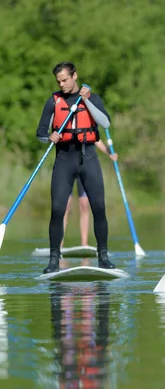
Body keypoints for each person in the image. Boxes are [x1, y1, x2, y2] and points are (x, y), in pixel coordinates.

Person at [36, 61, 115, 273]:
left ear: (75, 76)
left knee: (98, 208)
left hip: (89, 159)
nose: (62, 84)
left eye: (65, 79)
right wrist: (48, 136)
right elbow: (41, 131)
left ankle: (103, 257)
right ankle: (54, 259)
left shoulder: (92, 98)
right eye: (59, 81)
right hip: (64, 160)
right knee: (58, 210)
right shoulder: (53, 102)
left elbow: (105, 123)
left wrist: (87, 100)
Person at [62, 139, 118, 248]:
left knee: (84, 204)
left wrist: (109, 153)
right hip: (67, 163)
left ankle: (84, 244)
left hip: (84, 163)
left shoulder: (89, 122)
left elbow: (96, 139)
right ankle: (59, 245)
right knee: (65, 206)